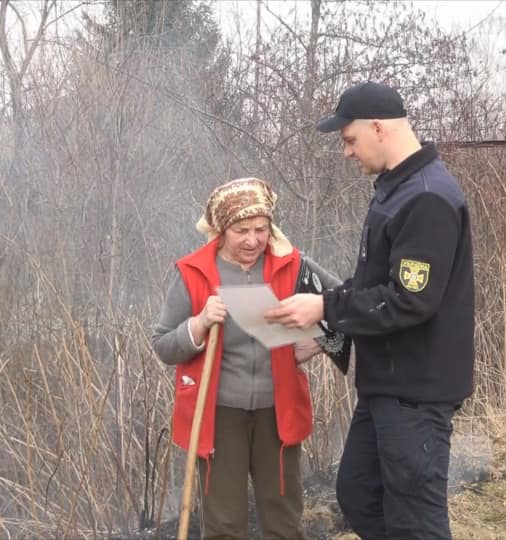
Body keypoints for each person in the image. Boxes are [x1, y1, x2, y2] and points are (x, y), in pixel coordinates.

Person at [264, 81, 476, 539]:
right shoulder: (395, 191)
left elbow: (408, 299)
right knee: (359, 494)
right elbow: (372, 285)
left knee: (415, 522)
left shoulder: (426, 197)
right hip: (387, 384)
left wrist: (323, 304)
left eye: (349, 139)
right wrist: (328, 335)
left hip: (416, 392)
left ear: (378, 128)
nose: (347, 152)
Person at [151, 177, 345, 539]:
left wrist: (321, 340)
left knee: (283, 520)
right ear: (221, 229)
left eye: (261, 229)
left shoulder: (293, 264)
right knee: (224, 524)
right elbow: (163, 345)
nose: (253, 240)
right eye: (242, 230)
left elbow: (346, 303)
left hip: (279, 410)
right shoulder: (193, 273)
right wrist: (200, 322)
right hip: (219, 414)